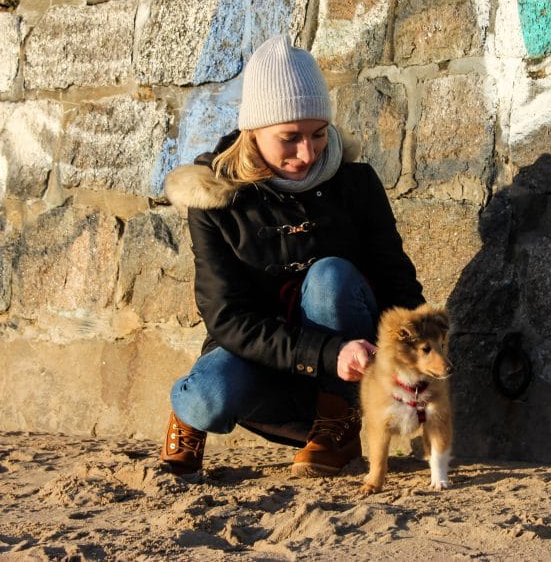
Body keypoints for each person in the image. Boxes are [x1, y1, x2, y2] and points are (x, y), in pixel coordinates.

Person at [160, 35, 424, 480]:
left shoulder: (355, 184)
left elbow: (395, 276)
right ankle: (188, 415)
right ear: (254, 132)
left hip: (348, 366)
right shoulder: (213, 200)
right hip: (262, 354)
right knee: (209, 397)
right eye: (290, 138)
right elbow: (227, 318)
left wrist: (417, 349)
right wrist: (327, 351)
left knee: (330, 277)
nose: (307, 153)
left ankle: (335, 427)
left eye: (319, 134)